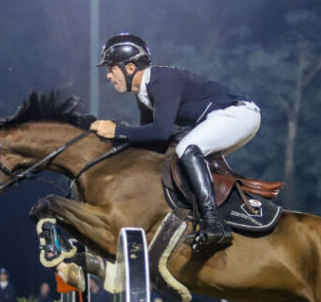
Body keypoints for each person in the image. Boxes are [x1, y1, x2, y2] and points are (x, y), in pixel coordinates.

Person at [89, 33, 261, 251]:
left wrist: (116, 130)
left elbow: (160, 132)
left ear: (130, 68)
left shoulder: (160, 81)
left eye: (111, 68)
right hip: (229, 117)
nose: (108, 76)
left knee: (187, 148)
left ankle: (214, 223)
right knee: (184, 155)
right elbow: (152, 144)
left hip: (238, 114)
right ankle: (214, 216)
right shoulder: (144, 95)